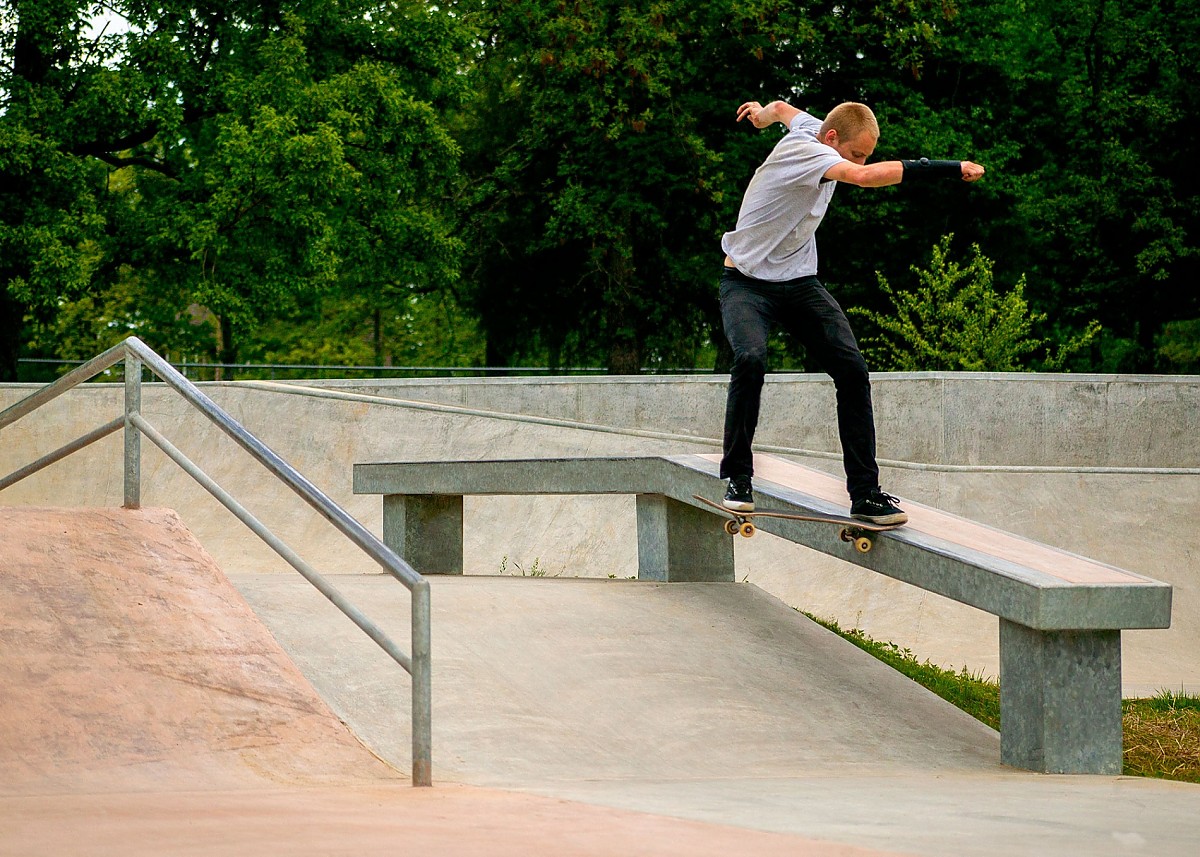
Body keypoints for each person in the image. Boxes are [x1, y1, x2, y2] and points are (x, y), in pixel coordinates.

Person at [718, 99, 985, 523]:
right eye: (856, 152)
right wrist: (948, 168)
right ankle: (737, 475)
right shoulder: (811, 151)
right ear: (831, 139)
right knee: (750, 358)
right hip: (746, 284)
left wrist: (759, 115)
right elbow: (862, 178)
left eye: (867, 154)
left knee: (852, 370)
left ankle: (865, 494)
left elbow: (785, 109)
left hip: (799, 283)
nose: (861, 161)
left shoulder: (812, 128)